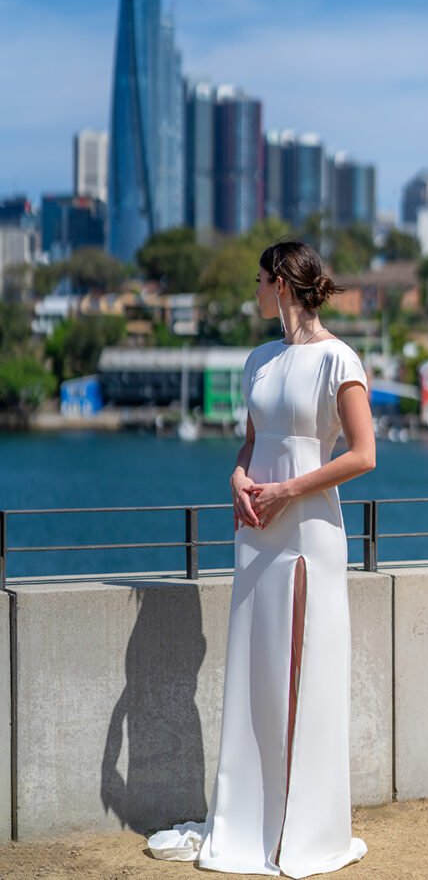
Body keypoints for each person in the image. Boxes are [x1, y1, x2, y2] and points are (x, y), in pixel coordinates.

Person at [148, 240, 376, 877]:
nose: (253, 289)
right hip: (256, 529)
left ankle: (303, 829)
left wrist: (286, 490)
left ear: (280, 283)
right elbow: (251, 443)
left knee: (306, 670)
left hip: (308, 531)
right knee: (256, 670)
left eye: (257, 280)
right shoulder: (259, 359)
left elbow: (364, 455)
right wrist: (239, 479)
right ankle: (254, 819)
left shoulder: (339, 359)